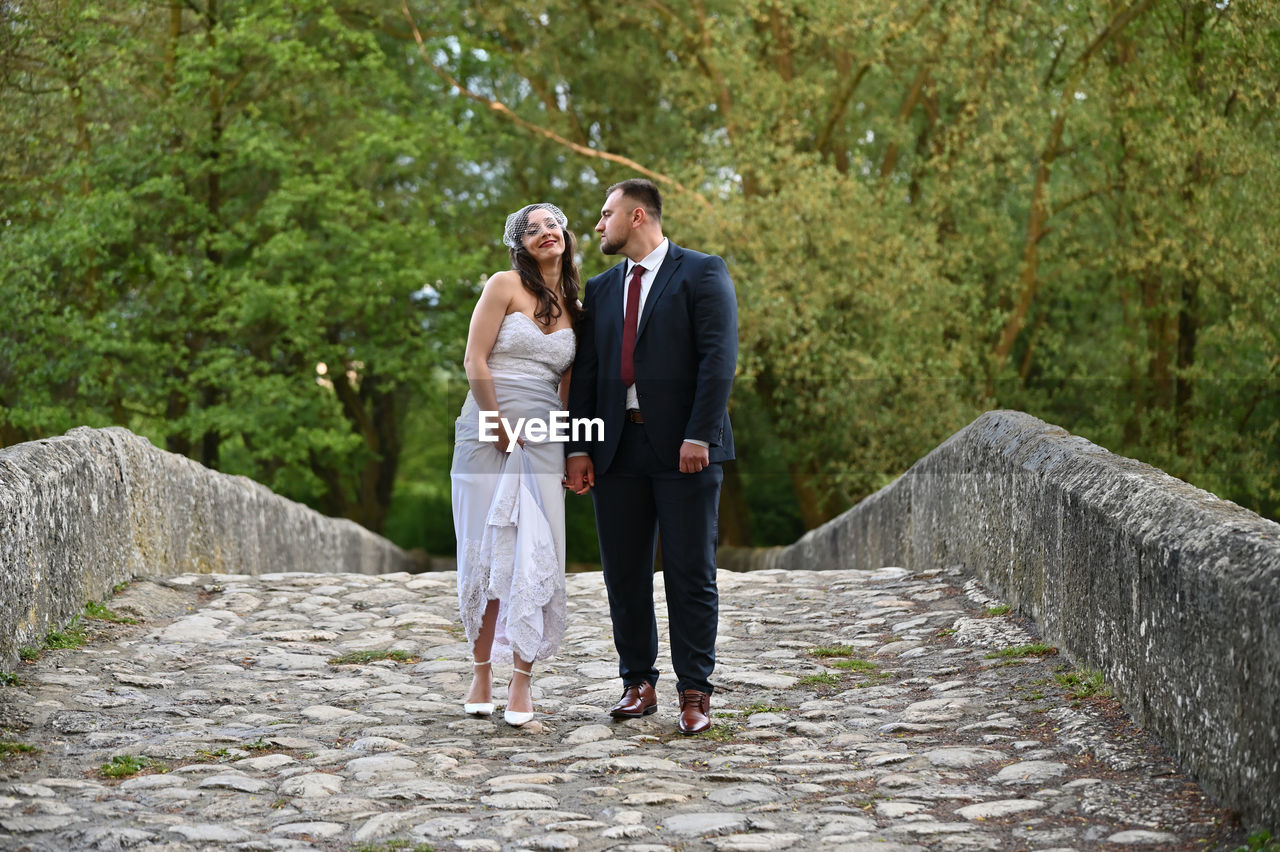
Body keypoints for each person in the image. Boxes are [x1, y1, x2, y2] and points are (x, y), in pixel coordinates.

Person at [565, 178, 737, 735]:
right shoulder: (602, 286)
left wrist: (700, 437)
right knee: (624, 574)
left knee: (690, 572)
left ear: (637, 216)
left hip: (687, 448)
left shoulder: (702, 271)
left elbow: (718, 360)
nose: (597, 225)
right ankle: (638, 682)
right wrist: (579, 447)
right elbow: (588, 375)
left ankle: (695, 692)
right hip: (617, 449)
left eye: (606, 213)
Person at [450, 203, 580, 727]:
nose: (546, 232)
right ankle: (481, 670)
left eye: (553, 224)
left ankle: (521, 680)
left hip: (545, 435)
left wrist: (572, 449)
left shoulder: (576, 303)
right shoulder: (503, 285)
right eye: (533, 229)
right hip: (486, 428)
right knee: (484, 548)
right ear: (519, 244)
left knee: (536, 549)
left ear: (565, 235)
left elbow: (568, 387)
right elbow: (473, 359)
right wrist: (496, 421)